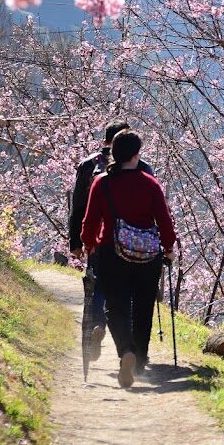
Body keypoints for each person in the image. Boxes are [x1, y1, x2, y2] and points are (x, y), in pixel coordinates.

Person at [81, 130, 177, 389]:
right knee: (143, 307)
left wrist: (88, 244)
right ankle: (140, 361)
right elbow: (165, 221)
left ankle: (126, 351)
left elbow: (89, 221)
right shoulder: (150, 183)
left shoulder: (101, 183)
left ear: (113, 153)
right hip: (148, 256)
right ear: (137, 154)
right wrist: (168, 247)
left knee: (116, 307)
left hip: (112, 252)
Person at [69, 121, 153, 359]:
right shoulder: (143, 167)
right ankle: (128, 346)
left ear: (105, 141)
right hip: (134, 242)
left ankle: (97, 324)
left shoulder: (88, 166)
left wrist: (77, 241)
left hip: (99, 237)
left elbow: (78, 208)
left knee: (97, 284)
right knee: (125, 291)